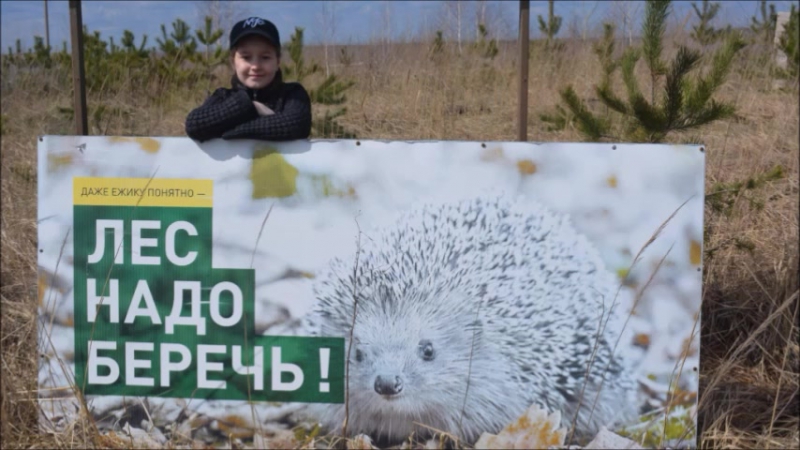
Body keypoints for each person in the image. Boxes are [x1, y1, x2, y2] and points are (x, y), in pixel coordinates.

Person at [185, 17, 312, 142]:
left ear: (278, 61)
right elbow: (194, 126)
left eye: (265, 57)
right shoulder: (222, 96)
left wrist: (237, 131)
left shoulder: (292, 94)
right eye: (246, 57)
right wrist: (247, 105)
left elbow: (298, 125)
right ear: (233, 62)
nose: (255, 66)